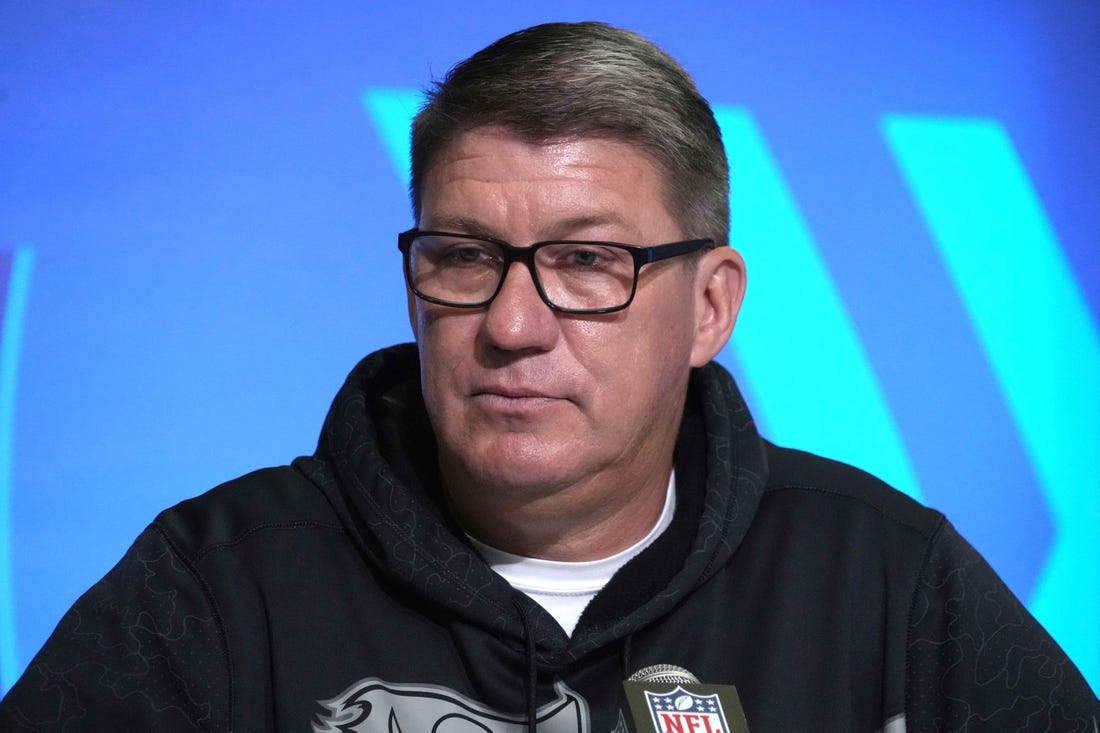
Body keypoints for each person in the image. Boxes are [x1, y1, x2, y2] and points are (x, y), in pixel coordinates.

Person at [1, 21, 1096, 733]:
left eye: (586, 263)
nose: (511, 324)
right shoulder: (218, 582)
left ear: (708, 306)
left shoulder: (883, 581)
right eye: (464, 258)